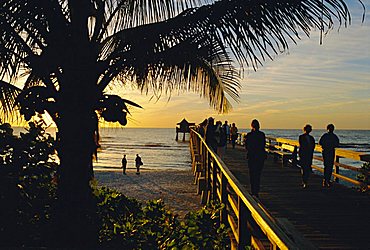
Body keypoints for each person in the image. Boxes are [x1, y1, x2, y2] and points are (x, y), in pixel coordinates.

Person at [245, 119, 266, 198]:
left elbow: (247, 146)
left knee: (252, 174)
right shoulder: (262, 134)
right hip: (260, 157)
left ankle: (253, 191)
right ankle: (256, 191)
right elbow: (263, 145)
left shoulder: (249, 135)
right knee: (258, 174)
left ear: (251, 126)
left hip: (252, 157)